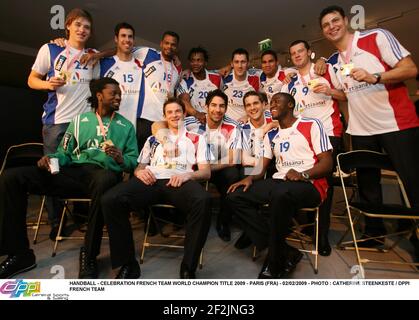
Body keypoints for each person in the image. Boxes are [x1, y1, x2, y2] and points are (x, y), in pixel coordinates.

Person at [0, 78, 138, 279]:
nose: (118, 97)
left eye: (119, 94)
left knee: (105, 181)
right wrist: (51, 158)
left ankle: (89, 255)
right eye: (113, 93)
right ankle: (20, 254)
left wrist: (120, 158)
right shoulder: (79, 121)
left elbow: (133, 162)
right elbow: (64, 153)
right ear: (99, 95)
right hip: (74, 173)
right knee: (11, 177)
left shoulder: (125, 126)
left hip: (104, 175)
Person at [319, 5, 419, 249]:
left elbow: (410, 69)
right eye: (326, 25)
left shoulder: (376, 37)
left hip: (397, 124)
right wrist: (329, 91)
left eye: (335, 21)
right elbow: (347, 95)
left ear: (345, 20)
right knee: (368, 188)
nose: (332, 27)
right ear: (323, 32)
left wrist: (375, 77)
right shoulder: (332, 62)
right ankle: (374, 236)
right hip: (362, 131)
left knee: (414, 183)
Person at [101, 97, 211, 279]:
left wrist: (187, 175)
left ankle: (188, 266)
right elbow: (140, 166)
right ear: (164, 116)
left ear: (184, 113)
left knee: (204, 201)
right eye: (170, 112)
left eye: (178, 111)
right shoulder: (153, 139)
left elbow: (206, 173)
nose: (174, 115)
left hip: (179, 181)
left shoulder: (197, 139)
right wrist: (138, 173)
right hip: (151, 180)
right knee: (110, 199)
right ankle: (128, 264)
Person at [226, 92, 333, 278]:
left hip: (310, 184)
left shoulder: (310, 124)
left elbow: (327, 163)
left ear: (290, 104)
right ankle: (284, 250)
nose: (272, 105)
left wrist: (303, 174)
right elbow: (262, 165)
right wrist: (250, 178)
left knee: (279, 194)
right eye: (271, 102)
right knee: (235, 195)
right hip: (280, 182)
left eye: (277, 101)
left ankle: (274, 263)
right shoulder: (272, 134)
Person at [27, 8, 99, 239]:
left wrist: (100, 53)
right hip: (56, 124)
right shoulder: (50, 48)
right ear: (68, 25)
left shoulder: (93, 56)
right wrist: (48, 85)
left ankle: (80, 215)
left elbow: (121, 49)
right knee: (53, 172)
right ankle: (56, 221)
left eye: (87, 27)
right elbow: (31, 80)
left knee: (81, 172)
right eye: (78, 25)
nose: (82, 30)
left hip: (84, 126)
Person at [283, 39, 346, 256]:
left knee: (324, 184)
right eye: (293, 53)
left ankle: (322, 235)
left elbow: (346, 94)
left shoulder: (325, 69)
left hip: (329, 133)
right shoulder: (289, 82)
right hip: (303, 140)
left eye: (301, 51)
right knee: (304, 180)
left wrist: (328, 90)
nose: (297, 55)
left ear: (310, 52)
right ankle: (310, 226)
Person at [99, 22, 143, 128]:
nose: (127, 40)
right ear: (116, 39)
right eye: (123, 36)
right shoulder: (103, 64)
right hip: (110, 124)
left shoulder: (142, 66)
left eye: (130, 36)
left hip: (135, 126)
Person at [177, 47, 223, 123]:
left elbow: (222, 99)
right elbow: (184, 101)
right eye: (193, 60)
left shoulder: (217, 78)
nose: (195, 63)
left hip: (215, 120)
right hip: (194, 122)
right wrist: (197, 114)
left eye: (199, 60)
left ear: (205, 62)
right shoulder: (185, 81)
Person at [223, 48, 260, 122]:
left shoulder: (256, 79)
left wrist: (248, 116)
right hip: (227, 125)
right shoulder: (223, 78)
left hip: (248, 123)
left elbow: (264, 103)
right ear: (231, 64)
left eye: (243, 62)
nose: (240, 66)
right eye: (236, 62)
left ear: (248, 63)